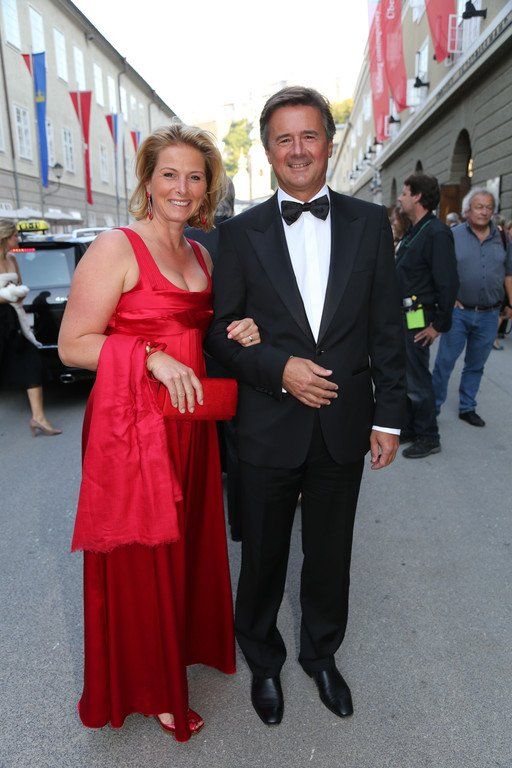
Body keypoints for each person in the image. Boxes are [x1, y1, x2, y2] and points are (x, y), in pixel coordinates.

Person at [206, 86, 406, 726]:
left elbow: (387, 331)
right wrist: (279, 369)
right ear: (267, 151)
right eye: (283, 139)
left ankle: (322, 654)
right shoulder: (237, 234)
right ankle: (263, 660)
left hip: (344, 423)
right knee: (262, 556)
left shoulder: (370, 223)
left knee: (330, 554)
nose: (297, 150)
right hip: (267, 425)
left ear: (328, 143)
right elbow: (220, 333)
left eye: (309, 136)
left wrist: (388, 417)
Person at [58, 123, 261, 742]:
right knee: (141, 556)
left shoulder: (201, 254)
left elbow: (200, 336)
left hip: (189, 426)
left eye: (195, 176)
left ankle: (180, 649)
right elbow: (73, 345)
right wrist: (149, 357)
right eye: (169, 174)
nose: (182, 187)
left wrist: (239, 333)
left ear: (207, 188)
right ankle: (148, 685)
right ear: (147, 181)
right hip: (133, 429)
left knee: (186, 544)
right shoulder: (115, 247)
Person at [185, 179, 242, 541]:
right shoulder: (244, 235)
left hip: (191, 353)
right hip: (236, 351)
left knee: (194, 439)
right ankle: (239, 522)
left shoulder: (185, 239)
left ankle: (194, 524)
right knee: (238, 439)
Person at [432, 188, 512, 426]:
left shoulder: (503, 238)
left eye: (489, 207)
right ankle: (432, 409)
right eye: (479, 207)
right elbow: (439, 271)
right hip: (458, 313)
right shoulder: (453, 235)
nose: (484, 211)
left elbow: (509, 273)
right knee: (445, 363)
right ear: (467, 210)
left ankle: (467, 407)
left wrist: (510, 303)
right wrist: (447, 298)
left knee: (476, 365)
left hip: (489, 314)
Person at [396, 173, 459, 458]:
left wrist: (437, 326)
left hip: (420, 318)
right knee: (407, 375)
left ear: (418, 196)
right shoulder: (415, 230)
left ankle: (429, 436)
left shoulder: (436, 232)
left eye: (405, 193)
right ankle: (411, 426)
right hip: (406, 315)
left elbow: (448, 282)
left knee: (418, 377)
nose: (400, 198)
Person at [0, 219, 61, 436]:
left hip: (14, 318)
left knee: (32, 362)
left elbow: (20, 286)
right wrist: (7, 296)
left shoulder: (12, 258)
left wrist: (18, 294)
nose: (18, 239)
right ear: (5, 237)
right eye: (15, 235)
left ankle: (38, 418)